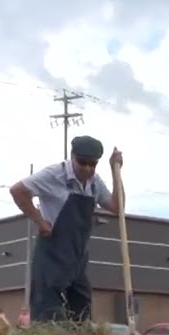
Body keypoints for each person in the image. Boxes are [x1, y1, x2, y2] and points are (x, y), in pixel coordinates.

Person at [9, 135, 124, 322]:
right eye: (82, 162)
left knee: (82, 308)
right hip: (52, 255)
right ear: (72, 156)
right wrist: (40, 222)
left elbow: (117, 207)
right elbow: (17, 191)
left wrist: (115, 172)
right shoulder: (54, 175)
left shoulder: (95, 183)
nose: (87, 168)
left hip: (78, 258)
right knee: (49, 312)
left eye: (92, 164)